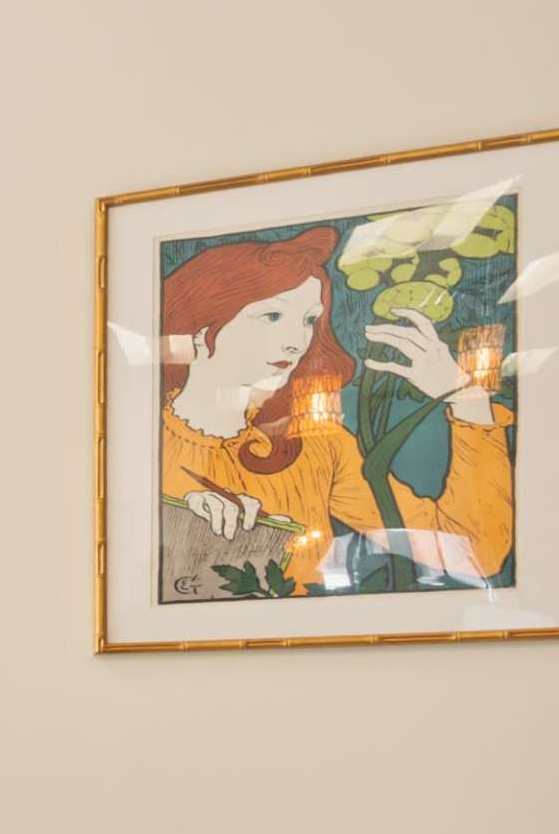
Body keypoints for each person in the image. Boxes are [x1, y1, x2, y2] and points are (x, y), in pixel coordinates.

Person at [158, 225, 514, 590]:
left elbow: (474, 553)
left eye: (309, 320)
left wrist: (466, 399)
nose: (297, 342)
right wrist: (176, 517)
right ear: (201, 328)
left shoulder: (312, 444)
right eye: (273, 317)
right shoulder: (134, 442)